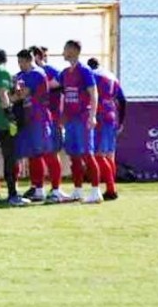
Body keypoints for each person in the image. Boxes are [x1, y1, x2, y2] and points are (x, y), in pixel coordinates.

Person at [13, 49, 69, 202]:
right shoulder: (22, 75)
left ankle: (56, 189)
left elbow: (21, 94)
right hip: (29, 118)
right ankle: (38, 189)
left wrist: (12, 96)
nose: (19, 65)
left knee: (48, 152)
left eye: (21, 62)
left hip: (40, 118)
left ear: (28, 60)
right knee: (34, 155)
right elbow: (17, 92)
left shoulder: (37, 73)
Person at [59, 40, 102, 204]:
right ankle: (77, 191)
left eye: (65, 49)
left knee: (87, 154)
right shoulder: (65, 72)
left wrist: (92, 115)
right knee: (74, 155)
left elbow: (94, 93)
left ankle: (96, 191)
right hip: (70, 120)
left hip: (83, 118)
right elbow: (54, 86)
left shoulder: (84, 70)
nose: (63, 52)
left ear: (73, 50)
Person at [0, 49, 28, 206]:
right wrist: (9, 114)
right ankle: (12, 194)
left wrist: (16, 97)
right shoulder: (3, 72)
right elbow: (3, 94)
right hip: (2, 122)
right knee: (9, 158)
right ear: (5, 59)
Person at [87, 58, 126, 201]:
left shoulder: (91, 75)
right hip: (112, 117)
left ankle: (111, 189)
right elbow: (122, 100)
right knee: (109, 155)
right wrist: (121, 121)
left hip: (99, 116)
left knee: (98, 155)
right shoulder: (111, 76)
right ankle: (111, 188)